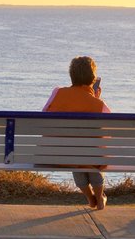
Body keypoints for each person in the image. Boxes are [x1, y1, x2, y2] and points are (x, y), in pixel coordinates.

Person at [42, 56, 110, 210]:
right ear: (93, 79)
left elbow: (44, 115)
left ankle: (90, 198)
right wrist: (95, 100)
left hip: (55, 155)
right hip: (85, 156)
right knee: (90, 155)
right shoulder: (99, 105)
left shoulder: (57, 92)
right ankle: (99, 198)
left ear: (71, 76)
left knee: (75, 153)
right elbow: (109, 131)